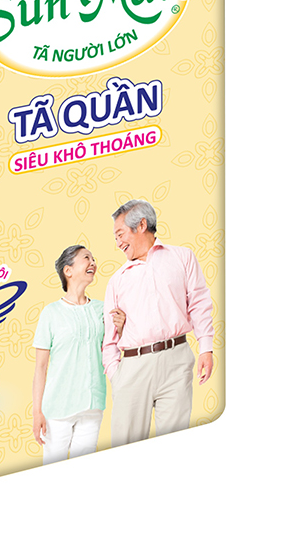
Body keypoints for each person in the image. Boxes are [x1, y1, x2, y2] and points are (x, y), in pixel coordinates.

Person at [102, 199, 214, 446]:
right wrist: (116, 377)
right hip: (133, 368)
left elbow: (199, 303)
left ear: (141, 225)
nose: (118, 243)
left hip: (177, 361)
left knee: (175, 445)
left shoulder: (182, 257)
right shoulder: (117, 280)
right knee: (126, 448)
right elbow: (109, 338)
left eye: (120, 234)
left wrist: (206, 348)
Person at [33, 245, 126, 464]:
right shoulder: (51, 313)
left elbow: (115, 348)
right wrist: (37, 412)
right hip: (58, 408)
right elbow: (40, 367)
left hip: (92, 405)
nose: (93, 262)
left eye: (94, 258)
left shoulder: (103, 309)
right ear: (68, 271)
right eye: (86, 258)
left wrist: (121, 328)